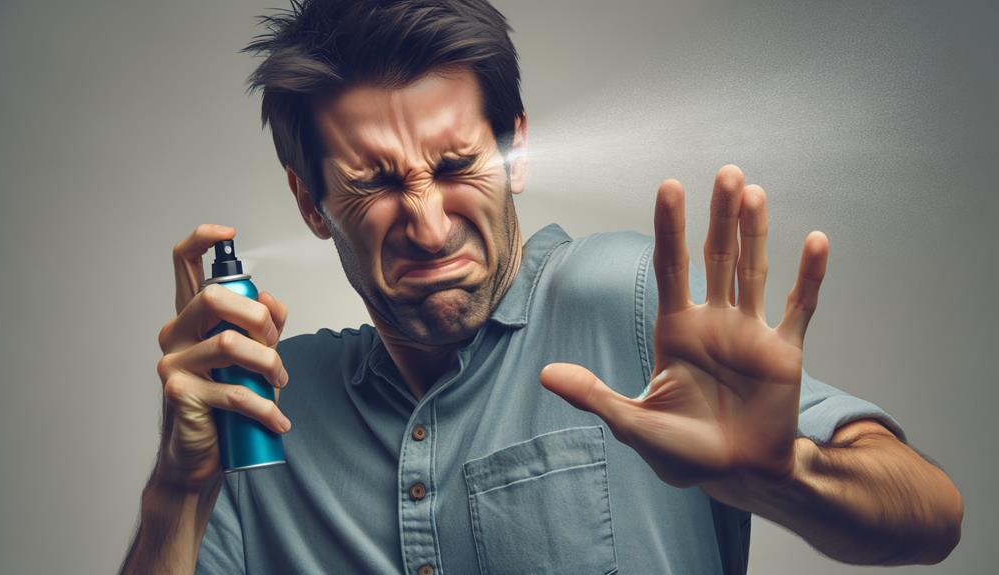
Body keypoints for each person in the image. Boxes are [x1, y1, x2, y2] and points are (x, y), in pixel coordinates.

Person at [120, 1, 963, 573]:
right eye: (374, 184)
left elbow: (933, 514)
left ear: (515, 153)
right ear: (309, 201)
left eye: (455, 166)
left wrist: (787, 477)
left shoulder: (630, 300)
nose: (426, 221)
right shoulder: (269, 403)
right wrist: (175, 491)